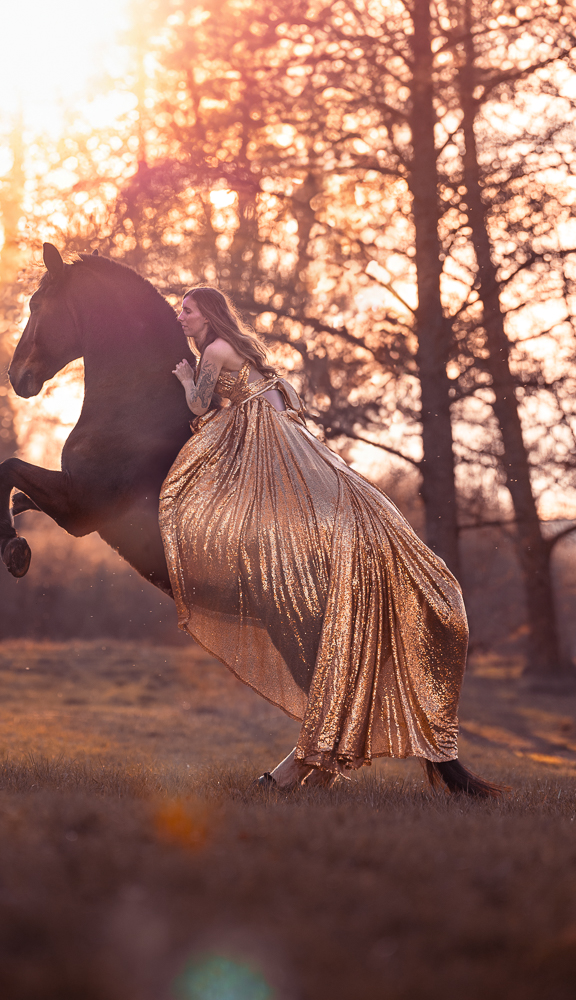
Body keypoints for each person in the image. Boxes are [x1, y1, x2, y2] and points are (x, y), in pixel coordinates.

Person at [159, 285, 499, 795]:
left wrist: (187, 377)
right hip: (294, 443)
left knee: (200, 495)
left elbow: (199, 403)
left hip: (270, 451)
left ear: (207, 314)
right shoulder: (242, 350)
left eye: (187, 310)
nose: (180, 316)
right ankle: (312, 764)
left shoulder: (214, 351)